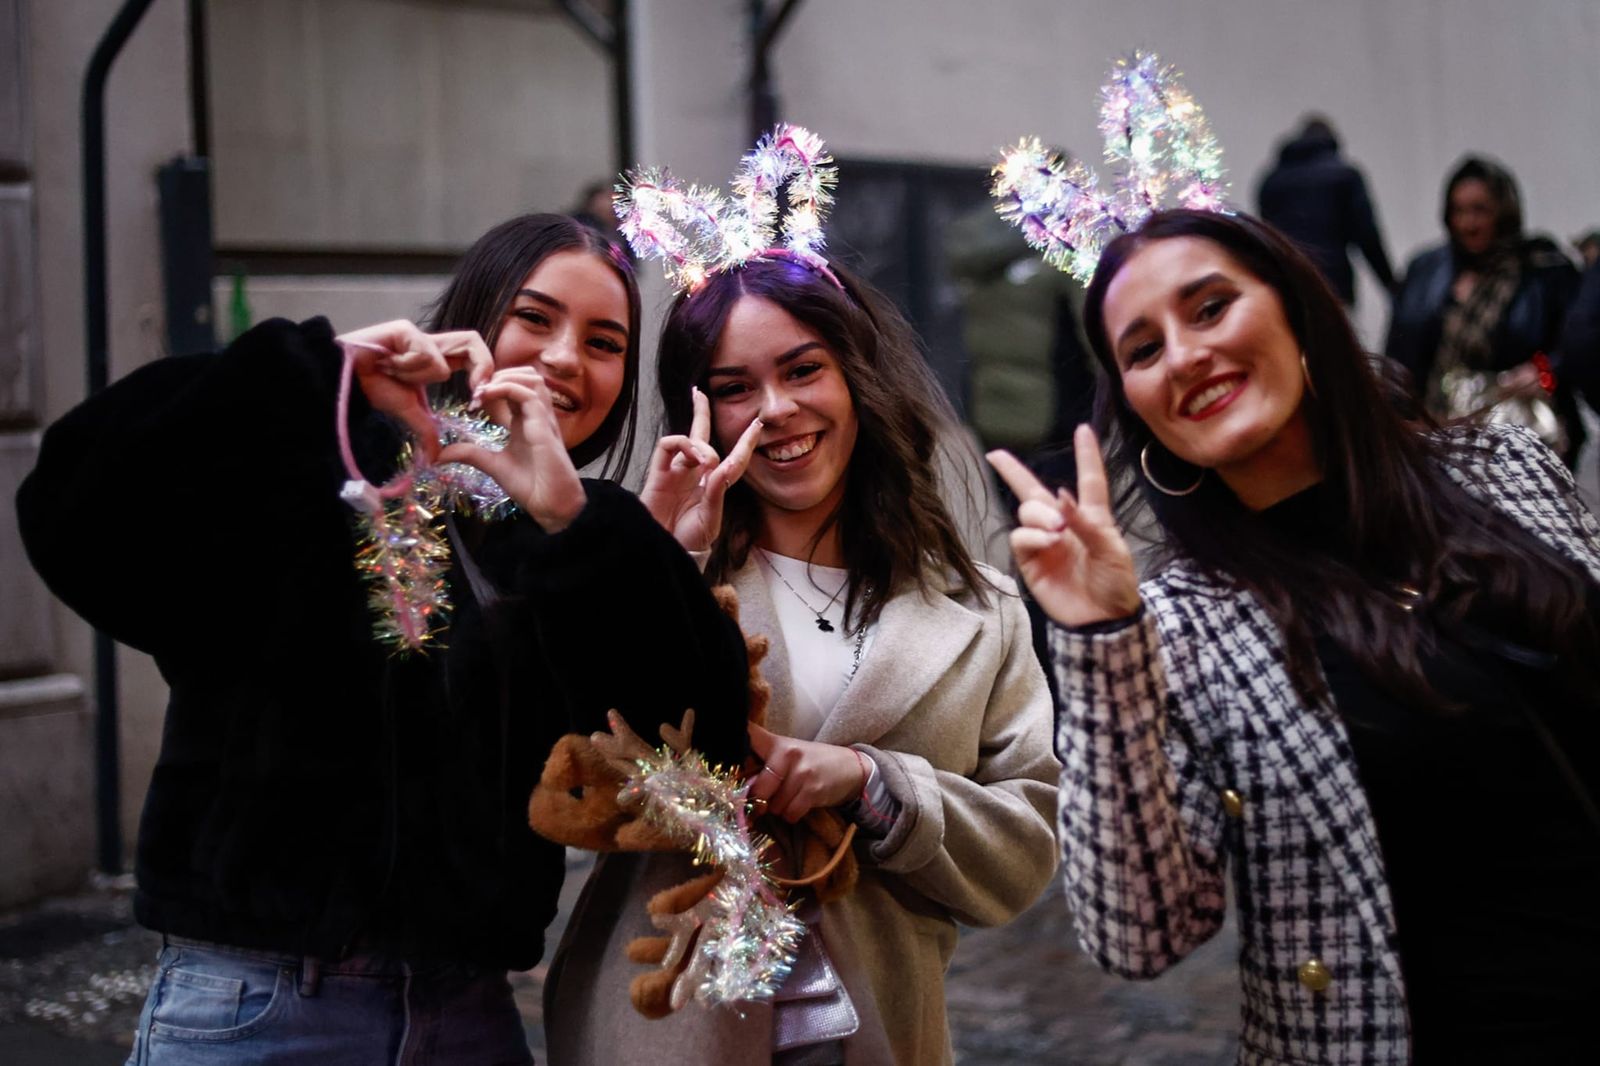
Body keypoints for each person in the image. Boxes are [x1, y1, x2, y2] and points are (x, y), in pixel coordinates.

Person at [16, 213, 751, 1064]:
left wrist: (580, 527)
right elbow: (74, 506)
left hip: (467, 1017)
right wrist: (321, 372)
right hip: (259, 1009)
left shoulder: (591, 537)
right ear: (473, 321)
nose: (563, 359)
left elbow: (706, 747)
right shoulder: (333, 468)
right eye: (536, 318)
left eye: (604, 342)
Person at [990, 207, 1600, 1064]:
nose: (1187, 354)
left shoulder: (1507, 470)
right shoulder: (1180, 625)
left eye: (1209, 309)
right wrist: (1099, 643)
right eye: (1144, 349)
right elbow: (1141, 938)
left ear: (1297, 312)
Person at [545, 252, 1061, 1065]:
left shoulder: (981, 610)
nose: (776, 409)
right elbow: (581, 771)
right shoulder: (669, 569)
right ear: (699, 409)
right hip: (666, 1025)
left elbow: (1026, 847)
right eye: (734, 387)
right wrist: (662, 568)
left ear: (856, 375)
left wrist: (871, 784)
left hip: (885, 1026)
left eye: (803, 370)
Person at [1386, 155, 1582, 465]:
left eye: (1480, 210)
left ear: (1504, 213)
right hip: (1438, 436)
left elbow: (1577, 345)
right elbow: (1398, 355)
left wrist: (1545, 372)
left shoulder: (1543, 271)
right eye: (1458, 211)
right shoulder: (1426, 270)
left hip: (1518, 441)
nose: (1468, 224)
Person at [1256, 115, 1395, 306]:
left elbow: (1267, 238)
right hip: (1333, 282)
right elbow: (1367, 236)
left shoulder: (1271, 181)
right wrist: (1391, 286)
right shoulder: (1344, 176)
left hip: (1287, 284)